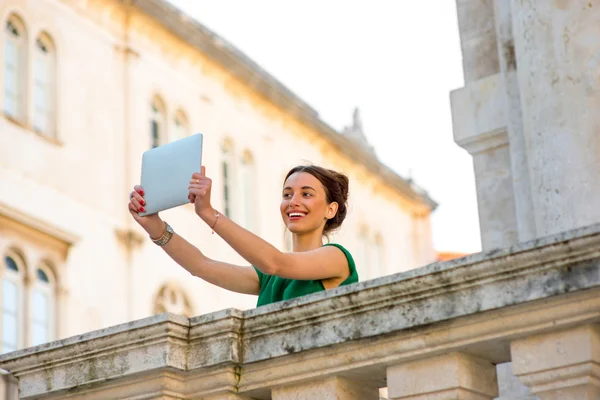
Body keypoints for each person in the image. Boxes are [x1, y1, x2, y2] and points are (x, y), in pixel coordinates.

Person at [127, 164, 358, 307]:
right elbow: (200, 265)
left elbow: (275, 262)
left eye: (306, 194)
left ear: (331, 209)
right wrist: (154, 225)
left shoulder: (336, 258)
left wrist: (207, 212)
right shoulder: (269, 277)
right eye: (287, 194)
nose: (293, 201)